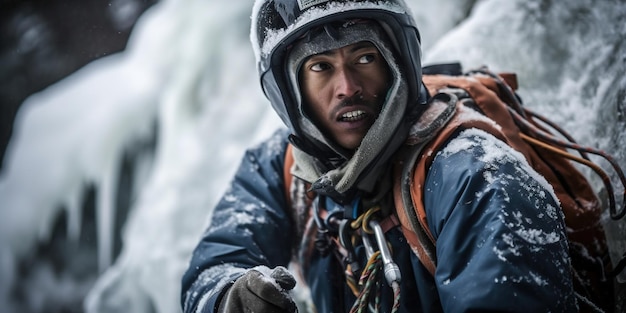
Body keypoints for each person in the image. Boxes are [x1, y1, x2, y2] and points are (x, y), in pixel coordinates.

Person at [181, 0, 577, 312]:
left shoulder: (477, 176)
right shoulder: (278, 167)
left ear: (396, 64)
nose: (347, 87)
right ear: (290, 91)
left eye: (365, 58)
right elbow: (216, 264)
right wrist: (228, 297)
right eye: (320, 66)